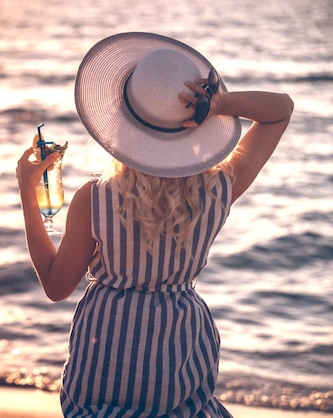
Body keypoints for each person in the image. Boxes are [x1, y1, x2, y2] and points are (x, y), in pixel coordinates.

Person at [16, 33, 293, 417]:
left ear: (120, 120)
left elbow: (56, 285)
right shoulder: (217, 190)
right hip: (179, 350)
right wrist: (220, 104)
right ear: (195, 125)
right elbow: (280, 109)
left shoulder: (95, 198)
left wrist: (28, 194)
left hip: (105, 352)